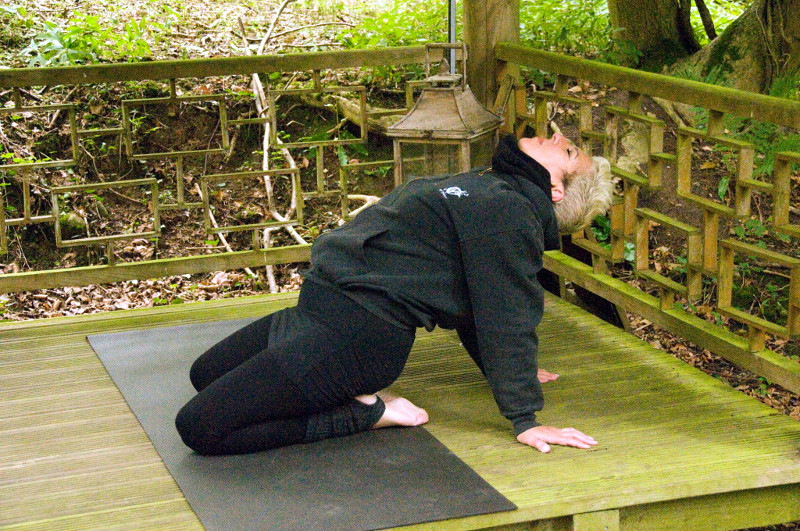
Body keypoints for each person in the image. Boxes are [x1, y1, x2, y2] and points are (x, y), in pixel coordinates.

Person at [175, 133, 613, 456]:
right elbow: (472, 295)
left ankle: (365, 413)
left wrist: (524, 416)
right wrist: (503, 366)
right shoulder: (492, 187)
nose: (558, 137)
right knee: (204, 374)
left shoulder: (510, 213)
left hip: (357, 333)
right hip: (320, 307)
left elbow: (504, 311)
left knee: (200, 428)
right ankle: (343, 394)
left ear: (554, 188)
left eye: (569, 151)